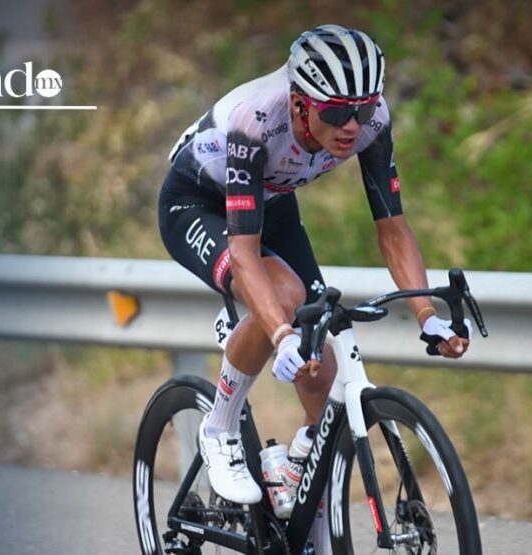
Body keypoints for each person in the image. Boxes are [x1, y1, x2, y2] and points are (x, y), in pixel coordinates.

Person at [158, 24, 470, 505]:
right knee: (284, 301)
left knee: (319, 375)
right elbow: (244, 253)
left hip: (273, 203)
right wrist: (280, 332)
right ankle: (219, 429)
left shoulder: (371, 122)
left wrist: (427, 316)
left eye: (363, 109)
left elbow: (393, 228)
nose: (353, 125)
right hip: (198, 203)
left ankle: (299, 471)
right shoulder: (256, 120)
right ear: (302, 104)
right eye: (338, 111)